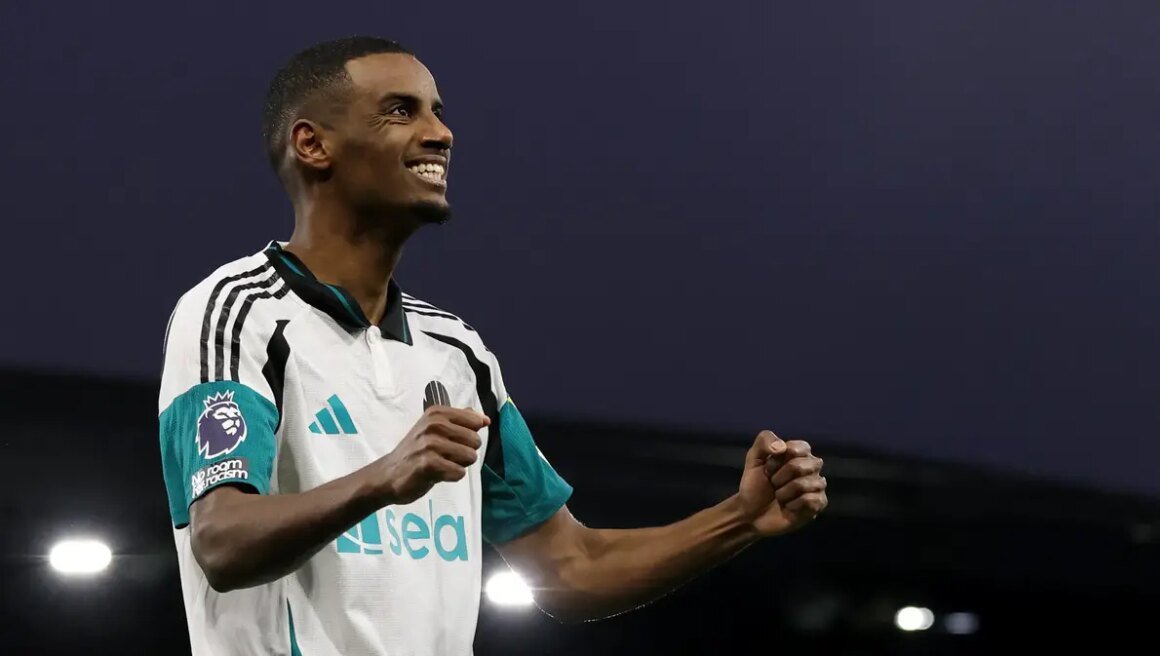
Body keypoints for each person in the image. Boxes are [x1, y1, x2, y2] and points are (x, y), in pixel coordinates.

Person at [157, 35, 828, 656]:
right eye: (401, 111)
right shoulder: (235, 312)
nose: (440, 133)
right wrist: (382, 478)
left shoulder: (456, 352)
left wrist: (740, 518)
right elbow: (222, 540)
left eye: (438, 112)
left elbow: (569, 567)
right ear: (313, 145)